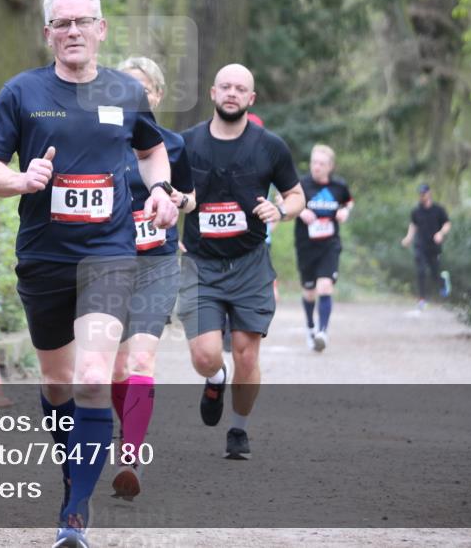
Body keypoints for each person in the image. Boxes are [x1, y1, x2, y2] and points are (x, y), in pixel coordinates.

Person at [0, 0, 178, 548]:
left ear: (100, 29)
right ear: (48, 33)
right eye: (61, 24)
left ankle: (76, 513)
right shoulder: (21, 93)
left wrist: (160, 188)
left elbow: (151, 148)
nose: (72, 32)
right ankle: (73, 476)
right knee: (58, 382)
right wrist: (21, 179)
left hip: (108, 255)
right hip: (43, 257)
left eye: (82, 22)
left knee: (94, 377)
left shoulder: (124, 91)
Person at [177, 64, 304, 460]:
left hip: (249, 264)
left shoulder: (270, 146)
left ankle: (238, 429)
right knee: (205, 355)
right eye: (226, 87)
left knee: (247, 352)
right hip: (200, 264)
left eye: (241, 89)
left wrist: (281, 210)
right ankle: (215, 379)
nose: (232, 93)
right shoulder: (186, 144)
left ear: (251, 99)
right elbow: (165, 189)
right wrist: (175, 207)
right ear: (213, 93)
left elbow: (297, 195)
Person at [109, 56, 194, 501]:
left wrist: (178, 200)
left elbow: (192, 199)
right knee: (115, 366)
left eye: (142, 90)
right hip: (106, 263)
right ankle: (128, 426)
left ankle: (130, 456)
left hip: (156, 264)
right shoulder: (100, 142)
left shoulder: (174, 146)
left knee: (141, 360)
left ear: (157, 96)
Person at [293, 144, 353, 352]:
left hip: (330, 244)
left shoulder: (338, 186)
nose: (316, 167)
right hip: (306, 245)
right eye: (314, 162)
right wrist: (301, 212)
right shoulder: (301, 184)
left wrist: (345, 211)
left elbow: (348, 201)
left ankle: (322, 332)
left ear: (330, 166)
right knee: (309, 292)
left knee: (325, 287)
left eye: (321, 164)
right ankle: (310, 327)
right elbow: (283, 199)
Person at [401, 183, 451, 310]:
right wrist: (408, 238)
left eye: (424, 193)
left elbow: (447, 224)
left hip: (433, 246)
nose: (422, 196)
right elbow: (413, 225)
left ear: (429, 193)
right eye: (420, 194)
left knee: (434, 273)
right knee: (421, 271)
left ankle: (443, 281)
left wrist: (440, 233)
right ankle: (422, 299)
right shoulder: (416, 211)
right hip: (420, 245)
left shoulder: (438, 210)